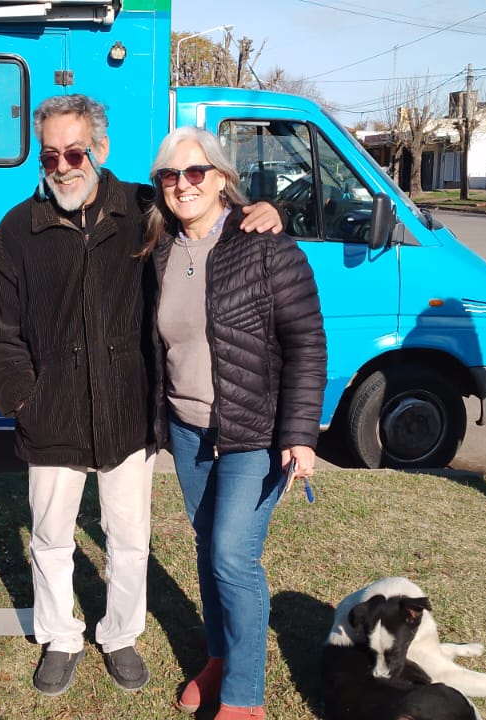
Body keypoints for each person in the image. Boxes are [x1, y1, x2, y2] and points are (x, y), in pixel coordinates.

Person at [0, 94, 282, 697]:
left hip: (128, 412)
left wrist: (261, 209)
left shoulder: (145, 209)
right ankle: (60, 637)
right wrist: (23, 400)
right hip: (51, 416)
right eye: (49, 156)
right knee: (51, 538)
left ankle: (120, 635)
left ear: (101, 148)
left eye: (74, 153)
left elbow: (208, 215)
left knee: (129, 538)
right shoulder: (18, 228)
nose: (62, 167)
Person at [142, 127, 326, 720]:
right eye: (170, 175)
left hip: (256, 431)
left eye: (196, 172)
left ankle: (245, 699)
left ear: (222, 178)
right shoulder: (161, 248)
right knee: (207, 548)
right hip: (189, 429)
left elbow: (306, 342)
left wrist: (300, 435)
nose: (183, 185)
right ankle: (220, 657)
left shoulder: (265, 245)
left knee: (231, 556)